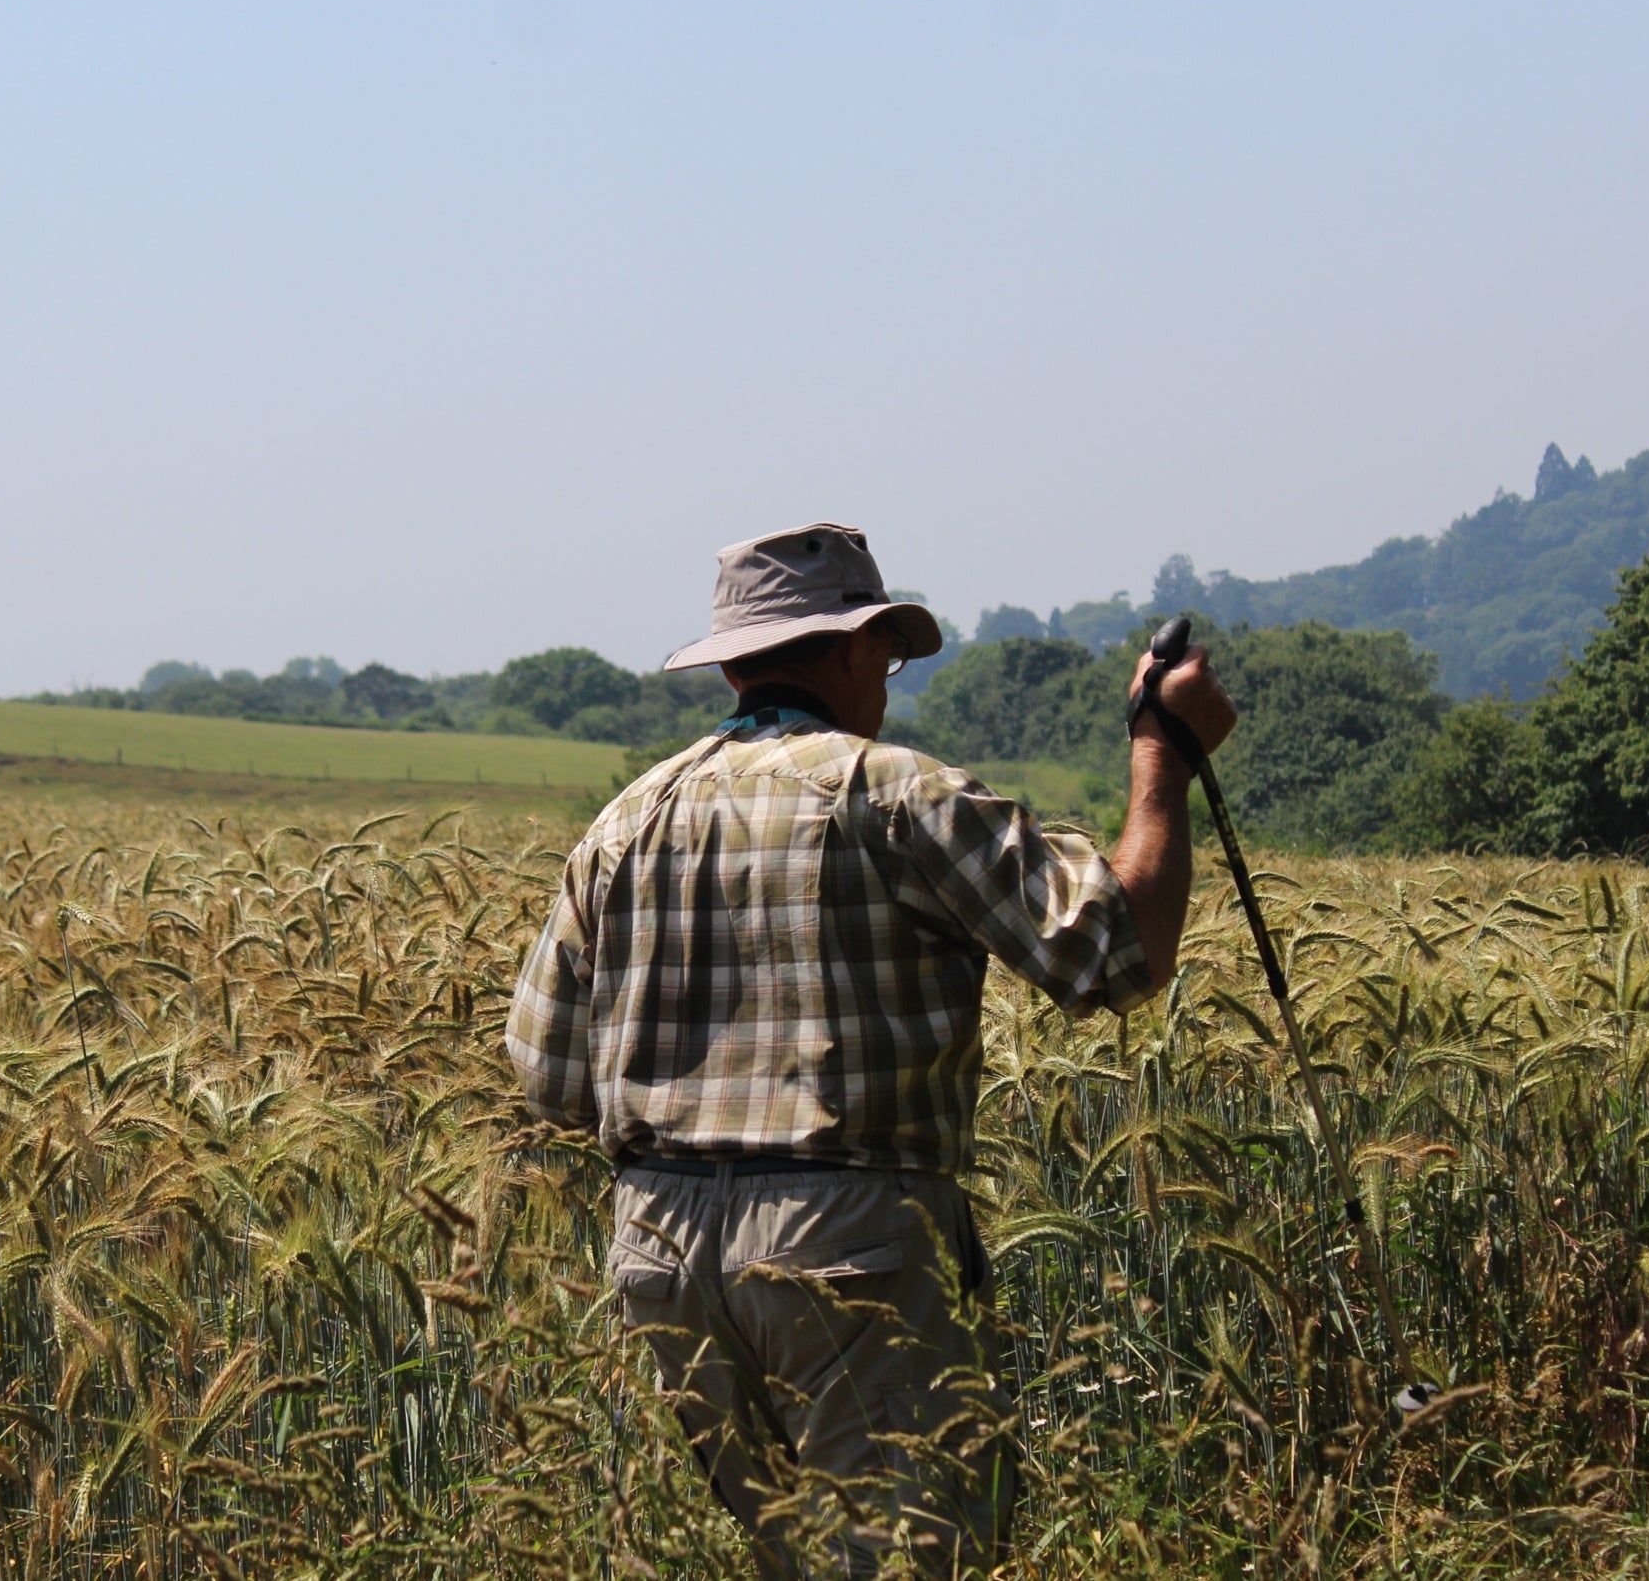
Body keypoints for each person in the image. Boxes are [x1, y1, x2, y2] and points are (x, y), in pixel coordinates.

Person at [505, 522, 1239, 1577]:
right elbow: (1112, 954)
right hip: (844, 1240)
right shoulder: (895, 795)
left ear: (736, 661)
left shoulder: (624, 821)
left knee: (795, 1560)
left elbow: (549, 1075)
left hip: (656, 1249)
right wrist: (1164, 757)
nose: (886, 684)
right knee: (908, 1557)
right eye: (885, 657)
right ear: (851, 649)